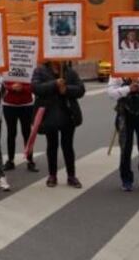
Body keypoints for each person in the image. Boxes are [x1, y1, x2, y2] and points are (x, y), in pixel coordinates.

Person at [33, 60, 85, 188]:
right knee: (52, 145)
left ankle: (71, 176)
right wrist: (54, 84)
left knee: (68, 146)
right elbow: (36, 88)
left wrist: (66, 89)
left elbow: (81, 89)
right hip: (49, 114)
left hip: (68, 114)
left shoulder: (70, 72)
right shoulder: (40, 71)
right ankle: (52, 175)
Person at [107, 75, 139, 192]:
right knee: (125, 149)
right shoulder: (117, 73)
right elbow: (111, 93)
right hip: (124, 116)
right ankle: (126, 179)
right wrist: (128, 89)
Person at [3, 78, 38, 172]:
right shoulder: (7, 66)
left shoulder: (30, 65)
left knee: (27, 133)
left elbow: (34, 85)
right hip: (9, 104)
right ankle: (10, 160)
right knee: (11, 133)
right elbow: (1, 83)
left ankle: (30, 160)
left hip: (26, 104)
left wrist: (23, 88)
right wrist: (11, 87)